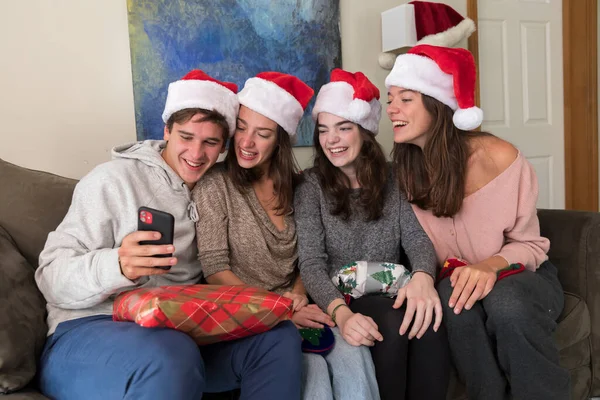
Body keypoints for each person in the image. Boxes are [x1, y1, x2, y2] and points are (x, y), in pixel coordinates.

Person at [34, 70, 302, 400]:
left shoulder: (213, 190)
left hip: (178, 332)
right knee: (173, 352)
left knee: (279, 337)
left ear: (222, 147)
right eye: (186, 137)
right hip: (88, 333)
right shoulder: (112, 180)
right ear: (166, 131)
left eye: (210, 142)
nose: (196, 153)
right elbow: (50, 276)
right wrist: (117, 265)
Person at [385, 44, 570, 400]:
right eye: (390, 98)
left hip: (520, 277)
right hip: (455, 282)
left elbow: (531, 244)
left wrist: (488, 267)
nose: (391, 108)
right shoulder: (404, 174)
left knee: (505, 301)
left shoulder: (499, 157)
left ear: (437, 106)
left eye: (405, 99)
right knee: (454, 298)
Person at [192, 71, 380, 400]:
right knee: (314, 372)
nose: (247, 143)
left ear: (280, 140)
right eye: (242, 128)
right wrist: (280, 308)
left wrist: (297, 295)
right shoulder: (215, 186)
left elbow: (309, 258)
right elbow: (214, 270)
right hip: (250, 315)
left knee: (355, 353)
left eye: (262, 134)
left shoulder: (302, 187)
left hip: (300, 306)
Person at [294, 68, 450, 400]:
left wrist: (423, 276)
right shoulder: (311, 186)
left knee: (430, 319)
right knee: (391, 327)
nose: (331, 139)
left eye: (343, 128)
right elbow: (310, 264)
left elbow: (416, 238)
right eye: (323, 130)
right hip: (341, 298)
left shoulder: (395, 178)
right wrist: (343, 314)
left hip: (393, 288)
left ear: (364, 131)